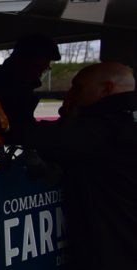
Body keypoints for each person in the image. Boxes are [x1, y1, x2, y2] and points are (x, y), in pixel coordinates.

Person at [27, 62, 137, 269]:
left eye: (78, 88)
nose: (71, 93)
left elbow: (33, 137)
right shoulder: (125, 124)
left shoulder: (102, 130)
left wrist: (71, 114)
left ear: (106, 89)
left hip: (113, 254)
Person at [0, 34, 62, 148]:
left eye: (45, 69)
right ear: (21, 60)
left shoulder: (24, 85)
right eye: (38, 67)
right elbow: (19, 128)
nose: (40, 74)